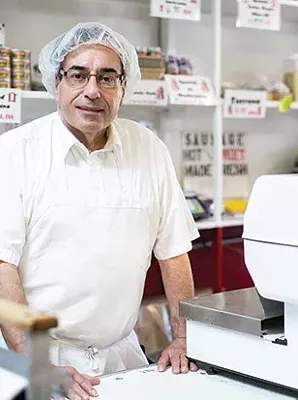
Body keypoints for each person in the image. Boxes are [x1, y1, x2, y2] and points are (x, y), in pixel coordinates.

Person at [0, 22, 200, 399]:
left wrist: (185, 337)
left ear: (123, 89)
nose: (92, 90)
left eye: (107, 78)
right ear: (56, 83)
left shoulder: (148, 148)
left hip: (122, 358)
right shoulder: (15, 152)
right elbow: (2, 266)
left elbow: (174, 252)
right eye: (78, 75)